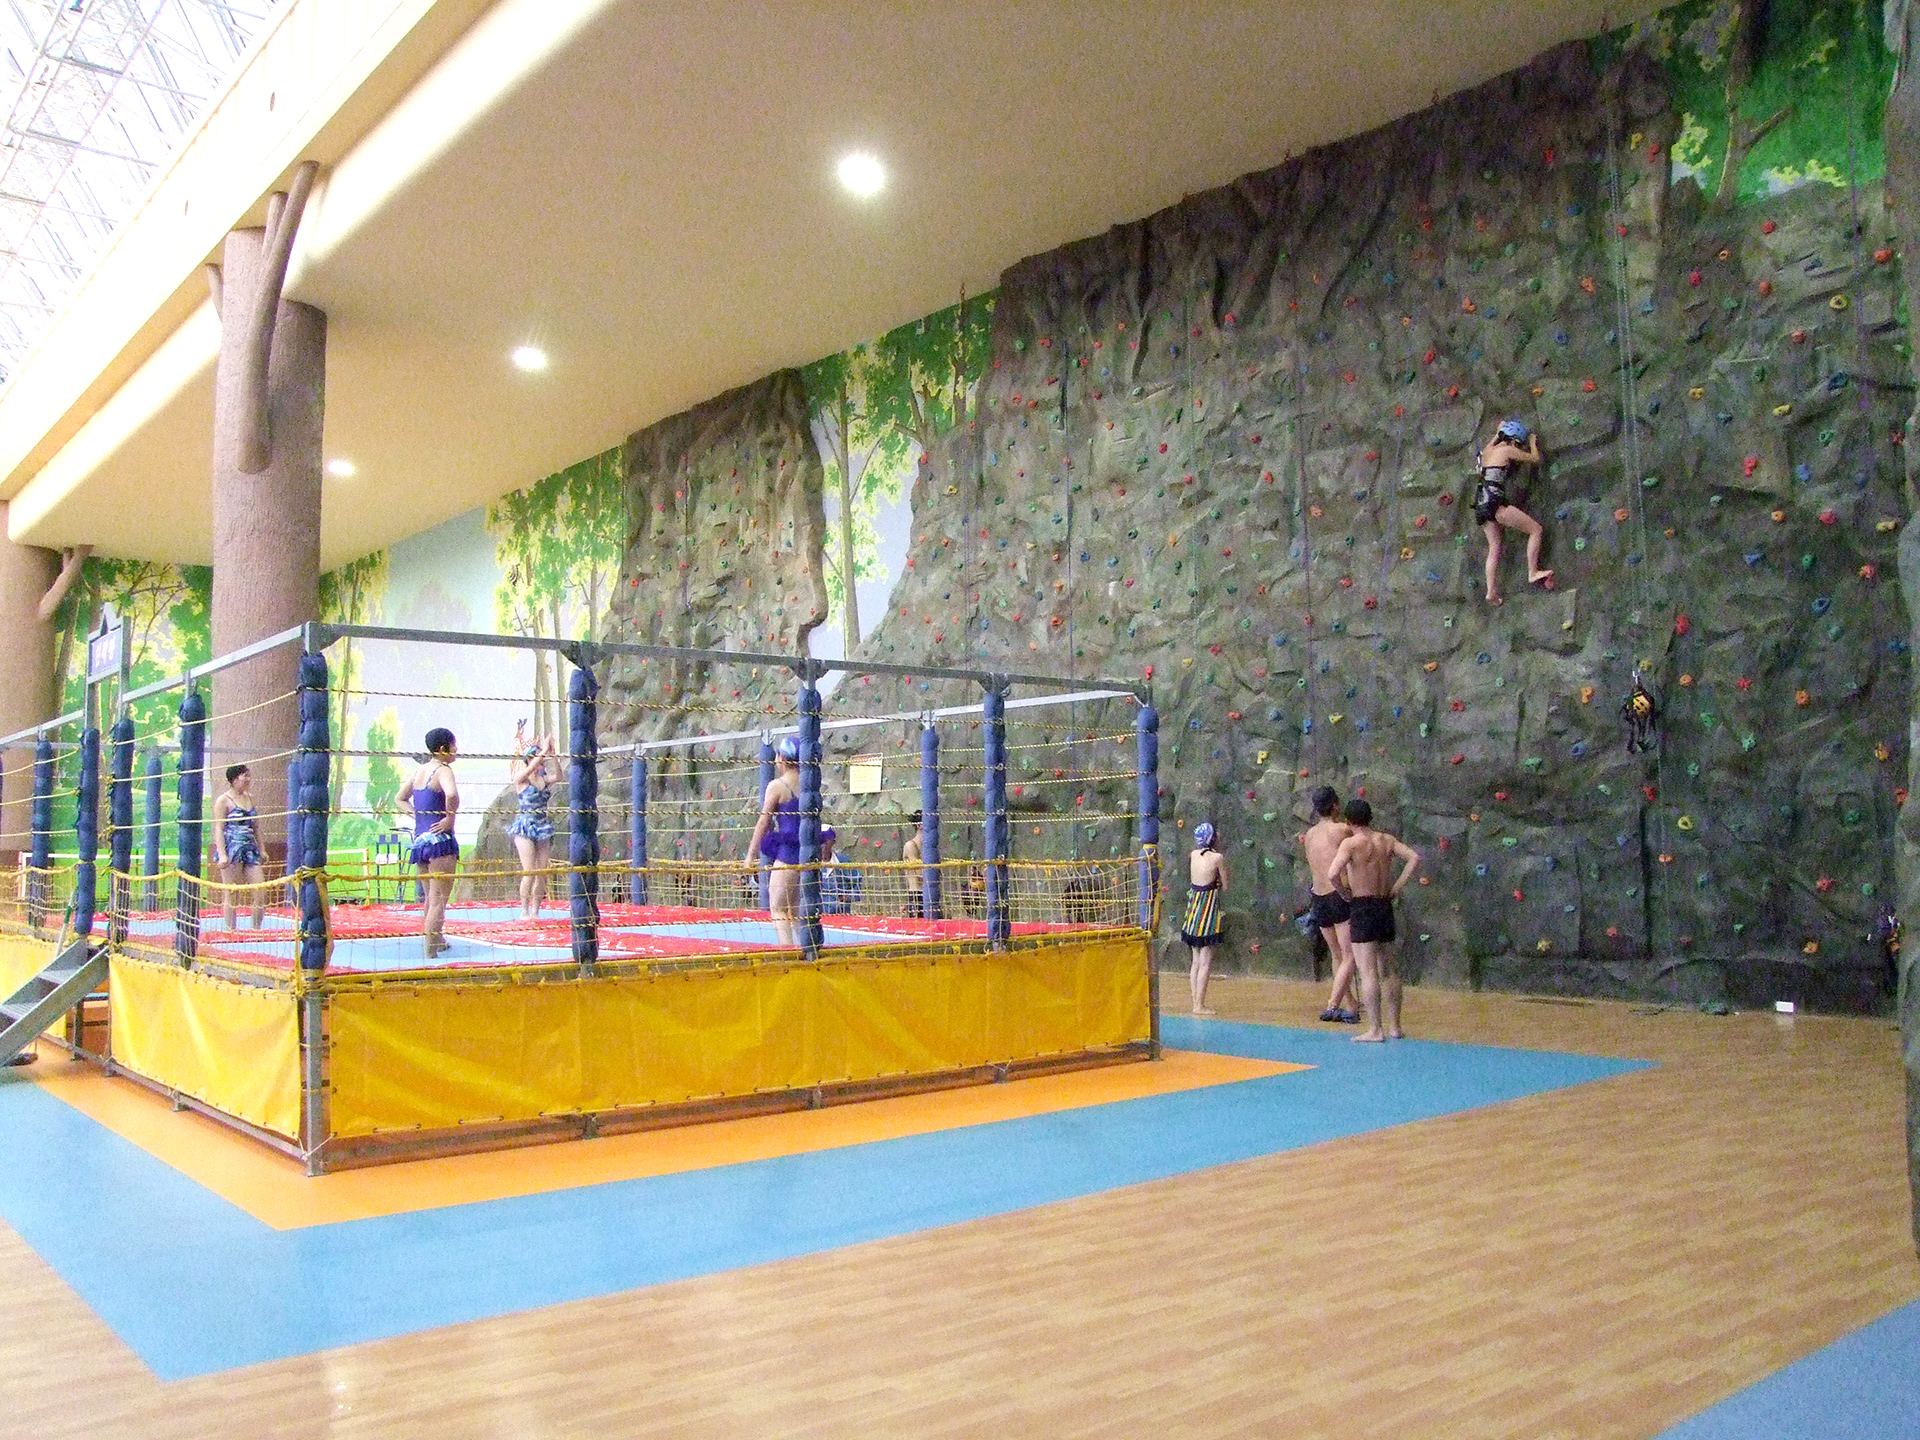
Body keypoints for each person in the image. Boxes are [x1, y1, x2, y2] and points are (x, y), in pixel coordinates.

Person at [1325, 799, 1422, 1043]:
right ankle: (1395, 1027)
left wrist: (1344, 893)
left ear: (1349, 821)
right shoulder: (1386, 840)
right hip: (1384, 904)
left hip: (1362, 906)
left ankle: (1376, 1029)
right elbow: (1414, 858)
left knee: (1368, 972)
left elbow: (1332, 873)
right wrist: (1397, 887)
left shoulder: (1351, 844)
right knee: (1389, 970)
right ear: (1370, 818)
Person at [1474, 417, 1552, 604]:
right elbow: (1534, 459)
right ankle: (1532, 572)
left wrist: (1497, 433)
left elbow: (1491, 444)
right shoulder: (1507, 450)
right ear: (1515, 441)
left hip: (1480, 505)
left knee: (1495, 547)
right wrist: (1532, 443)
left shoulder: (1487, 452)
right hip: (1495, 505)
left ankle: (1491, 591)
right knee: (1536, 530)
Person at [1298, 786, 1358, 1024]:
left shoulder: (1310, 834)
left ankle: (1350, 1004)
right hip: (1337, 895)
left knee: (1337, 955)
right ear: (1335, 805)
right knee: (1350, 955)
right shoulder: (1341, 829)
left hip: (1318, 897)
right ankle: (1333, 1004)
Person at [398, 728, 460, 958]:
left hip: (421, 841)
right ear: (443, 749)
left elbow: (400, 798)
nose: (456, 750)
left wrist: (418, 816)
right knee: (438, 901)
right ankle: (430, 951)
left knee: (429, 898)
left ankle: (437, 939)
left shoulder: (420, 771)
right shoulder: (443, 770)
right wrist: (449, 818)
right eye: (454, 746)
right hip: (440, 842)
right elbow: (451, 794)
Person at [746, 736, 802, 946]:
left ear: (782, 758)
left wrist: (750, 855)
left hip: (788, 854)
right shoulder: (808, 784)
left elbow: (763, 822)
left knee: (778, 908)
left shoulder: (778, 786)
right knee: (796, 909)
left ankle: (788, 953)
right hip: (806, 852)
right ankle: (809, 951)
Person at [506, 723, 558, 920]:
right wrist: (542, 750)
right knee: (529, 870)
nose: (540, 761)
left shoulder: (543, 779)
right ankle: (524, 910)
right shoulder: (522, 779)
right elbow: (528, 769)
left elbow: (558, 776)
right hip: (525, 826)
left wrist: (553, 755)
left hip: (542, 825)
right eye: (536, 757)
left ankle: (536, 910)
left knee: (542, 872)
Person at [211, 763, 266, 931]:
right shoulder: (223, 801)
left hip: (250, 849)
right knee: (232, 892)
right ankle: (231, 930)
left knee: (260, 891)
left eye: (249, 776)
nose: (248, 779)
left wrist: (262, 849)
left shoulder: (250, 798)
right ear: (234, 779)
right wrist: (222, 854)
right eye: (245, 776)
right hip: (232, 849)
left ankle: (256, 929)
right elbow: (219, 828)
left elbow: (256, 827)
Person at [1181, 821, 1226, 1016]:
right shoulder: (1217, 858)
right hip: (1208, 910)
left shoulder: (1193, 855)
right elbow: (1225, 886)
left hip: (1193, 909)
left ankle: (1195, 1002)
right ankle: (1199, 1005)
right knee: (1206, 961)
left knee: (1196, 960)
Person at [902, 810, 924, 917]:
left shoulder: (929, 847)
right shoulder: (910, 845)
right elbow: (919, 873)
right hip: (917, 893)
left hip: (929, 892)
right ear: (919, 825)